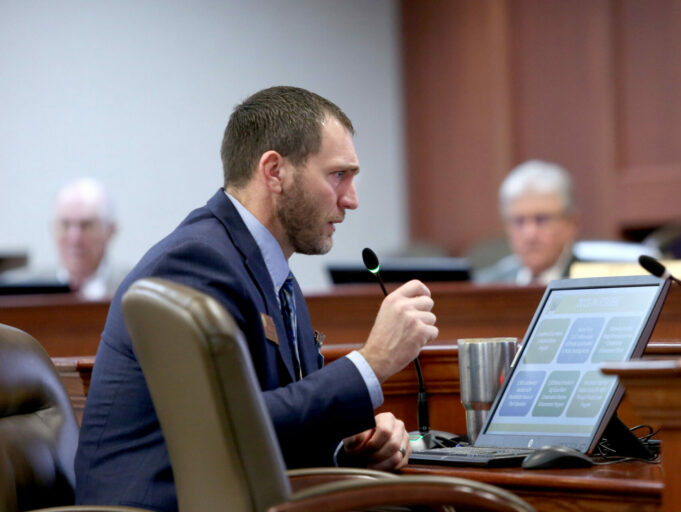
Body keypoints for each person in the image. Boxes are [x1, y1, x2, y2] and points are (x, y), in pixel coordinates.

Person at [74, 86, 439, 511]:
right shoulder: (195, 260)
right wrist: (373, 362)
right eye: (338, 175)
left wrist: (347, 448)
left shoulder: (273, 274)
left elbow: (268, 424)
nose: (351, 199)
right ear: (274, 171)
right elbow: (226, 430)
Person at [474, 160, 579, 286]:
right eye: (519, 222)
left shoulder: (596, 283)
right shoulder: (485, 285)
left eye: (542, 219)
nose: (530, 235)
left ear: (571, 223)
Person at [54, 178, 120, 299]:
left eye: (86, 225)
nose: (74, 239)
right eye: (65, 225)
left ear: (109, 232)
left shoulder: (130, 290)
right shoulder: (26, 293)